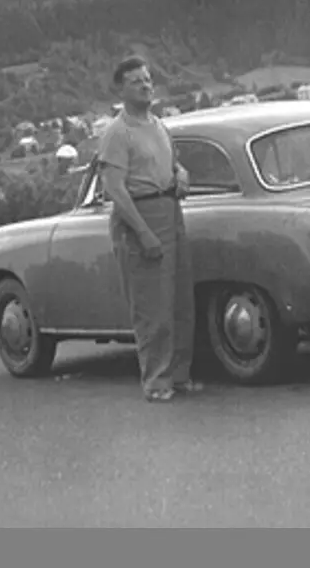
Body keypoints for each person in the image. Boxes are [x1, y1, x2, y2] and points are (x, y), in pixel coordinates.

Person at [97, 56, 201, 402]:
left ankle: (180, 376)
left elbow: (174, 164)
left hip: (170, 209)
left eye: (147, 79)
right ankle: (156, 381)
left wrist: (181, 175)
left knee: (180, 301)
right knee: (152, 307)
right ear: (121, 90)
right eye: (136, 81)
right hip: (140, 215)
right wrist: (143, 232)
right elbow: (114, 188)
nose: (145, 86)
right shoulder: (117, 132)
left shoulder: (158, 125)